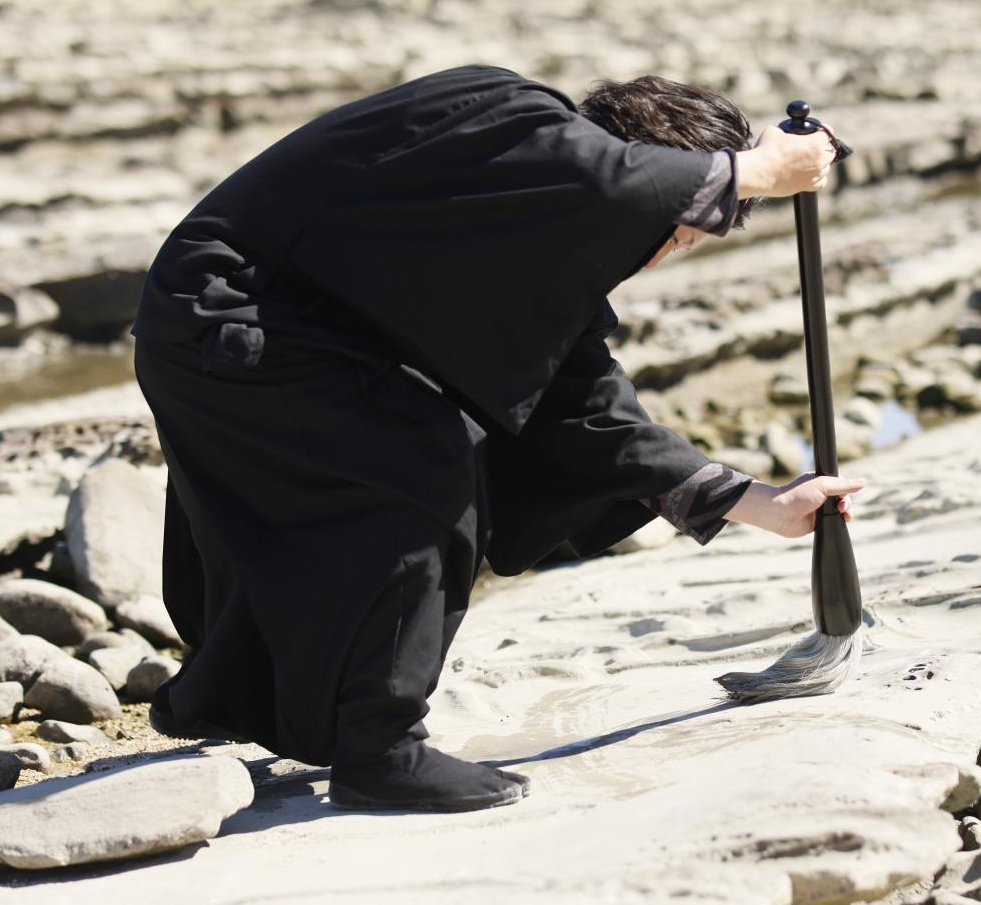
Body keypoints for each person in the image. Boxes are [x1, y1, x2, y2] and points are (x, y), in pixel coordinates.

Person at [130, 64, 865, 813]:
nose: (656, 256)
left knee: (349, 506)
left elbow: (582, 401)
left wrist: (755, 501)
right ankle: (378, 751)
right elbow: (599, 176)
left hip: (249, 332)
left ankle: (233, 702)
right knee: (421, 474)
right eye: (673, 233)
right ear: (649, 163)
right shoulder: (510, 115)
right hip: (232, 322)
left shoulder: (533, 221)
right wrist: (762, 169)